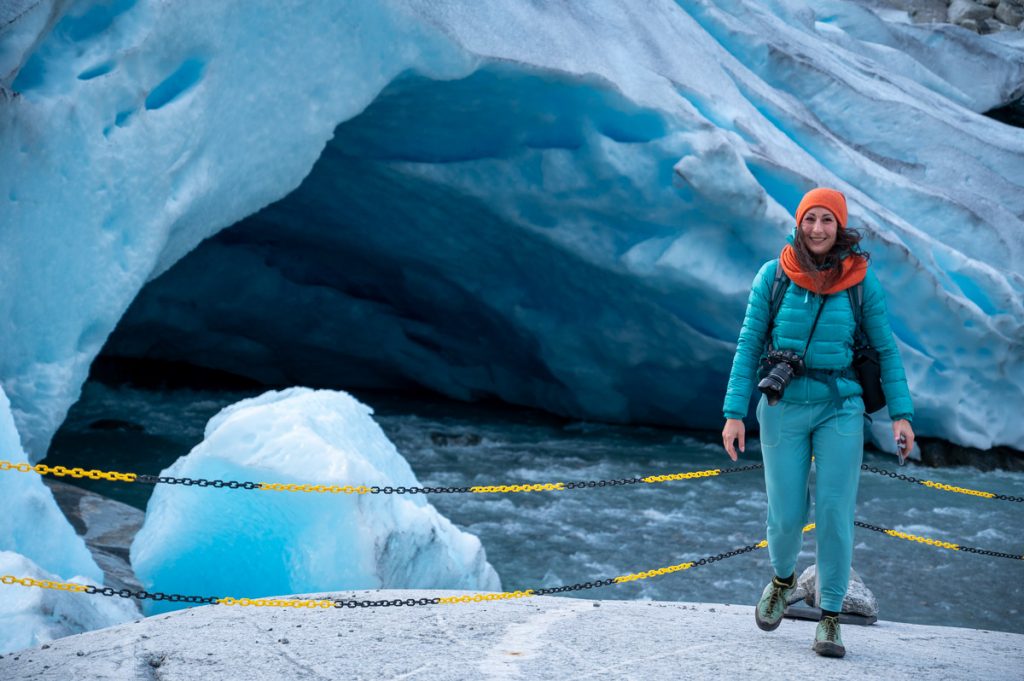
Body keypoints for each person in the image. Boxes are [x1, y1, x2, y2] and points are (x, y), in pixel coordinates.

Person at [720, 187, 915, 658]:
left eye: (828, 220)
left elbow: (886, 350)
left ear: (840, 226)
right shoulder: (774, 276)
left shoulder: (861, 282)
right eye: (811, 219)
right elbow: (749, 345)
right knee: (786, 514)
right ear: (799, 223)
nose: (818, 229)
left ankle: (830, 617)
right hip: (783, 405)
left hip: (839, 406)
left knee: (833, 511)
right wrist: (733, 413)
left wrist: (902, 415)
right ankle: (783, 580)